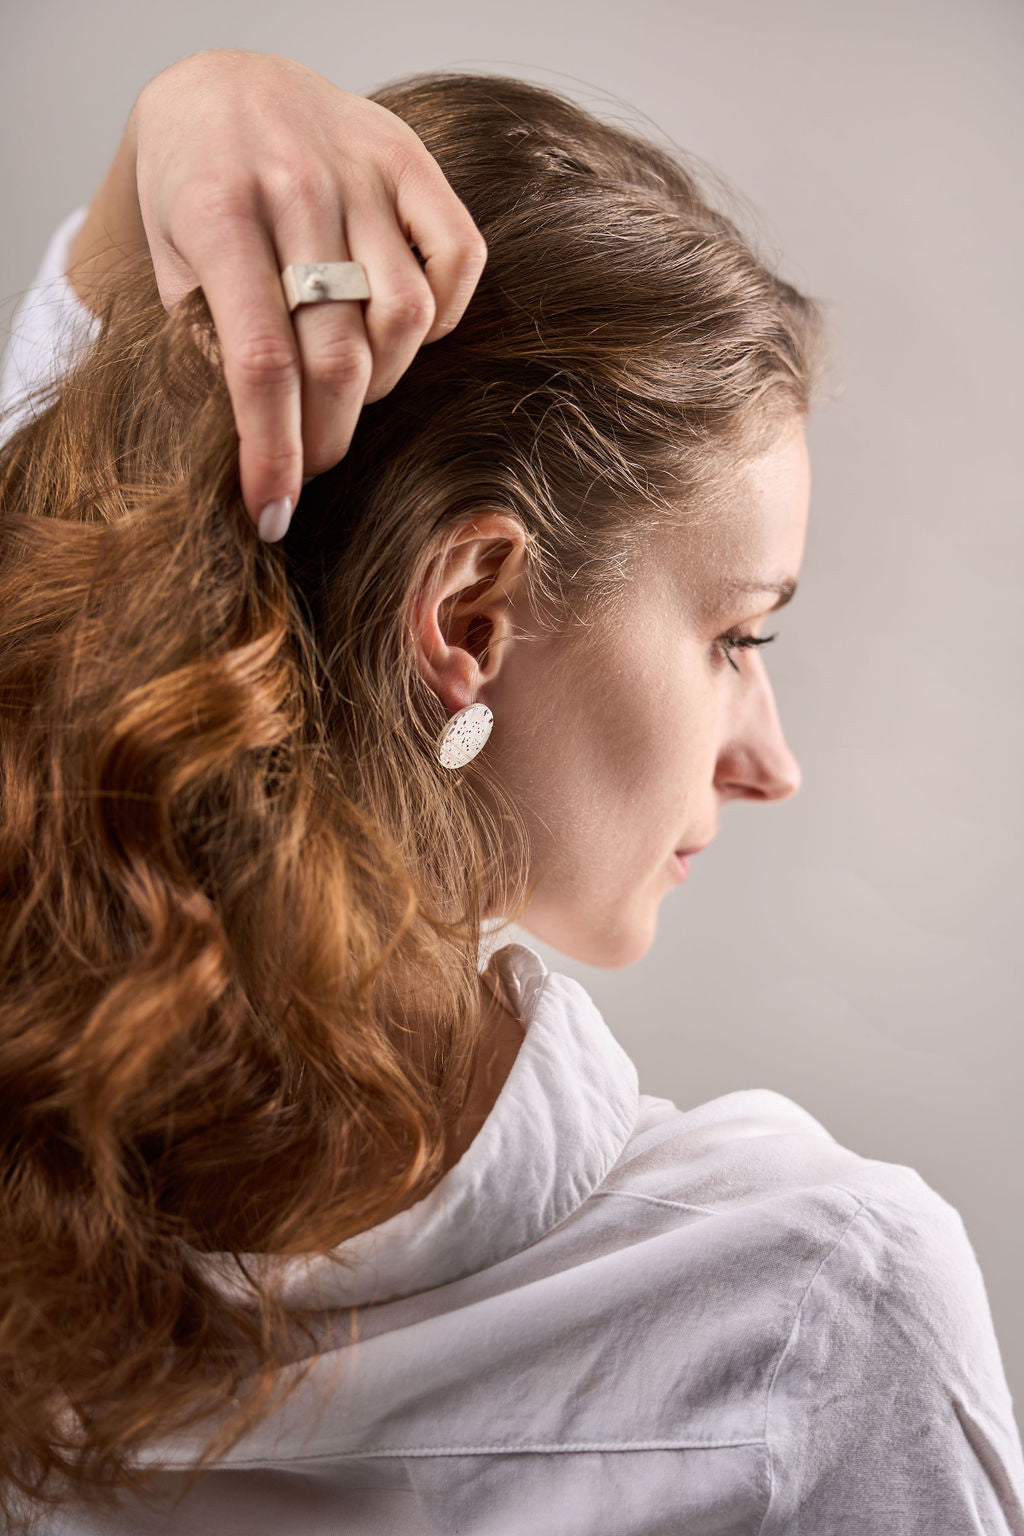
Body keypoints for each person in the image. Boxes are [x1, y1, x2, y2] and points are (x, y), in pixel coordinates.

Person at [0, 47, 1021, 1536]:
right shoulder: (808, 1319)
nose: (769, 760)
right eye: (737, 634)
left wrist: (193, 99)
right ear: (471, 615)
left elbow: (77, 459)